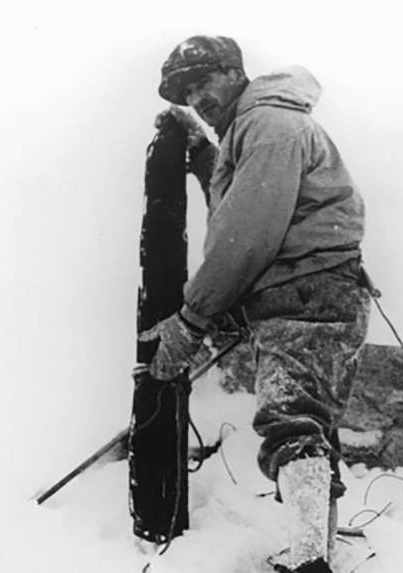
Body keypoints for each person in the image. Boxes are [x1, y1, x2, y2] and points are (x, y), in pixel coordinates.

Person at [140, 35, 372, 573]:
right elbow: (246, 203)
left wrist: (191, 320)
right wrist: (205, 158)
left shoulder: (268, 127)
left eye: (203, 82)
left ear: (234, 72)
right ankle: (315, 552)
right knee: (310, 425)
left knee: (291, 422)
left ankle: (311, 562)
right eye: (186, 92)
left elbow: (244, 234)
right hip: (314, 288)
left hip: (305, 291)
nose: (196, 97)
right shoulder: (258, 127)